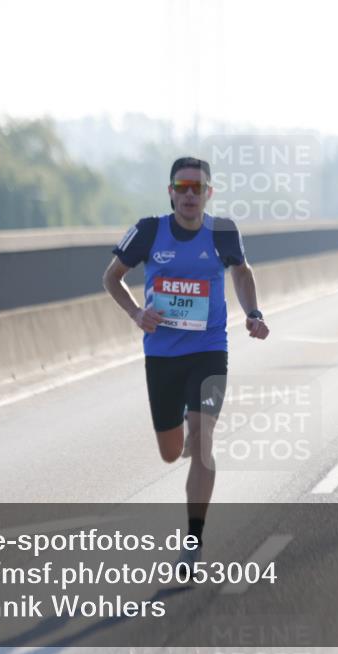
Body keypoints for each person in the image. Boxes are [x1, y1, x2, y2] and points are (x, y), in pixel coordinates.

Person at [102, 156, 270, 577]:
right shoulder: (148, 231)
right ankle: (181, 426)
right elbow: (111, 277)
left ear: (209, 193)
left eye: (198, 187)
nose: (190, 194)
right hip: (162, 355)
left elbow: (242, 271)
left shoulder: (222, 232)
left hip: (210, 350)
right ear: (171, 192)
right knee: (170, 452)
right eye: (183, 186)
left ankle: (193, 542)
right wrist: (137, 313)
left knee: (203, 439)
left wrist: (253, 312)